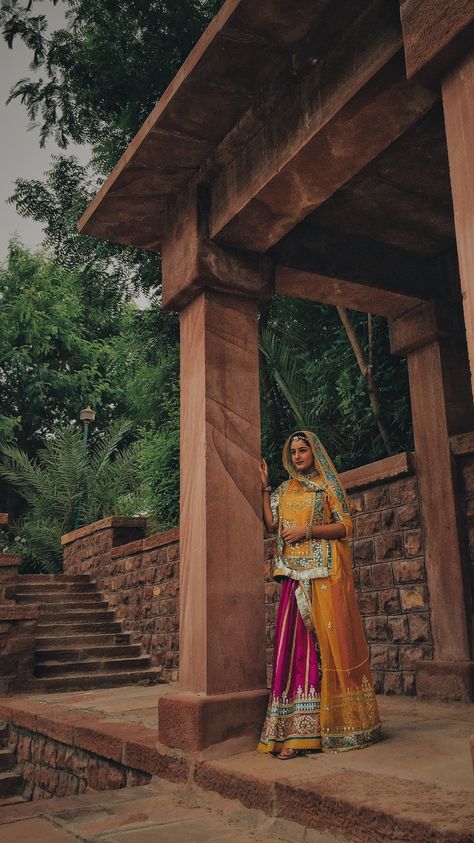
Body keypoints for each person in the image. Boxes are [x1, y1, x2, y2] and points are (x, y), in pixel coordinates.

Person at [257, 430, 381, 759]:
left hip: (323, 578)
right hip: (292, 578)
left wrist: (306, 531)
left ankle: (321, 730)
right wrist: (265, 486)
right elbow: (272, 525)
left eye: (303, 450)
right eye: (293, 451)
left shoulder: (327, 486)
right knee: (291, 650)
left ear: (314, 453)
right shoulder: (285, 489)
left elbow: (345, 527)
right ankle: (289, 730)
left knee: (322, 649)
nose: (297, 456)